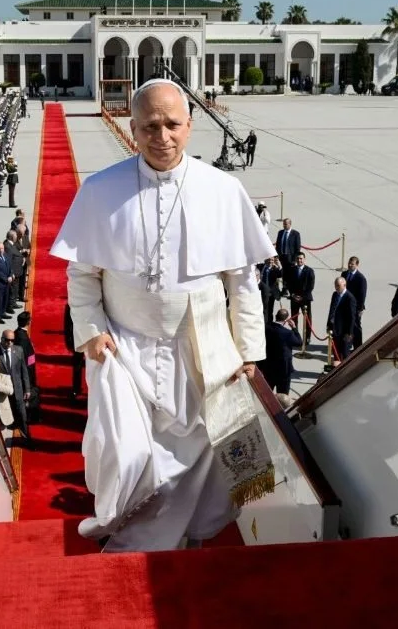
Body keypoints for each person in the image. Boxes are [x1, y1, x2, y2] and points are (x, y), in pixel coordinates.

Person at [51, 78, 274, 552]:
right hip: (125, 348)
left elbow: (243, 281)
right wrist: (91, 331)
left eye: (172, 124)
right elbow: (82, 275)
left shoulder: (223, 190)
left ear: (190, 125)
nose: (162, 136)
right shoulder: (100, 190)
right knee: (129, 455)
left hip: (202, 350)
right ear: (132, 128)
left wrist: (249, 350)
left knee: (201, 457)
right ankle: (135, 543)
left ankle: (185, 542)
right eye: (150, 126)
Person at [0, 330, 32, 442]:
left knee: (22, 415)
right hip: (3, 391)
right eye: (7, 340)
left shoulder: (18, 350)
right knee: (6, 414)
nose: (10, 343)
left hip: (18, 390)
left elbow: (24, 370)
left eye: (12, 340)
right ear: (2, 339)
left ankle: (26, 437)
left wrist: (27, 389)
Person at [259, 309, 300, 407]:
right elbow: (299, 342)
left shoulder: (266, 328)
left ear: (276, 316)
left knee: (266, 393)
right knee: (283, 396)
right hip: (283, 369)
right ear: (286, 320)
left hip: (268, 367)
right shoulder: (288, 333)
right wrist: (294, 328)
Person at [326, 276, 358, 362]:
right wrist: (328, 325)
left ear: (344, 285)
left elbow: (352, 317)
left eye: (338, 285)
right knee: (335, 352)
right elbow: (331, 310)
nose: (336, 287)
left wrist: (349, 333)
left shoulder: (350, 298)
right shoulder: (335, 294)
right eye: (335, 285)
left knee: (344, 354)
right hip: (334, 329)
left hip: (344, 332)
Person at [342, 256, 367, 345]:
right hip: (345, 305)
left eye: (352, 264)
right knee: (345, 325)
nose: (349, 265)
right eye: (349, 263)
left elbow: (362, 295)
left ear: (357, 265)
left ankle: (358, 346)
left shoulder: (361, 278)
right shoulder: (344, 274)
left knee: (356, 326)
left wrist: (360, 308)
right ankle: (346, 344)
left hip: (355, 307)